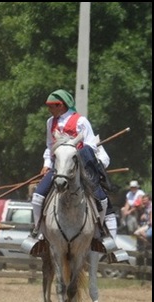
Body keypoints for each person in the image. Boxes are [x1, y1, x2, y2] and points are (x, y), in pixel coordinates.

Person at [24, 89, 117, 256]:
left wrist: (74, 157)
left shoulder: (81, 121)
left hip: (78, 167)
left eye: (52, 106)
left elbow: (90, 144)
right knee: (37, 196)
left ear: (62, 105)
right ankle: (38, 231)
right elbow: (49, 146)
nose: (49, 109)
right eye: (48, 106)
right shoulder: (50, 122)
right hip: (58, 168)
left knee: (102, 199)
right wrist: (46, 164)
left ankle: (99, 233)